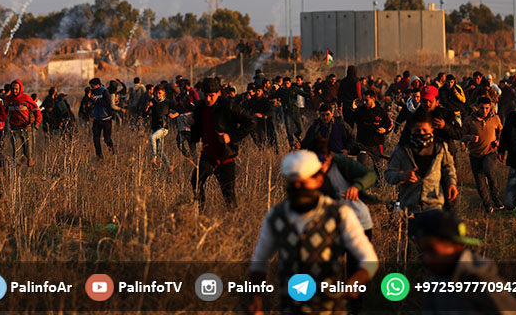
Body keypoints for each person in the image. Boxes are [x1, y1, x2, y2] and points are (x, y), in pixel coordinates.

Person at [248, 150, 378, 315]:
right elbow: (259, 261)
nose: (298, 189)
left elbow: (369, 259)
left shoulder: (339, 214)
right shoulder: (276, 216)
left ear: (318, 180)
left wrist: (354, 283)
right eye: (293, 184)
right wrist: (255, 299)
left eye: (303, 184)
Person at [413, 211, 516, 314]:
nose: (426, 259)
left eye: (432, 251)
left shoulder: (483, 284)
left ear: (457, 247)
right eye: (424, 251)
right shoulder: (435, 284)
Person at [189, 78, 254, 208]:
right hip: (208, 155)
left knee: (229, 196)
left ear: (218, 93)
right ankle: (199, 214)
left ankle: (233, 222)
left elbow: (250, 122)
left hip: (225, 157)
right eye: (205, 95)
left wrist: (231, 136)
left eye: (211, 96)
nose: (208, 99)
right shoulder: (200, 108)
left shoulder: (228, 106)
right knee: (196, 182)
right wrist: (192, 125)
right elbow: (197, 134)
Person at [385, 110, 457, 216]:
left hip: (434, 204)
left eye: (425, 130)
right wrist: (402, 176)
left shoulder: (440, 147)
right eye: (417, 131)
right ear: (411, 130)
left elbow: (448, 167)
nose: (421, 134)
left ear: (432, 129)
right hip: (410, 207)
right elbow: (389, 174)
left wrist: (451, 183)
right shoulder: (402, 149)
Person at [461, 98, 503, 212]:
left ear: (490, 107)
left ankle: (495, 197)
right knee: (480, 182)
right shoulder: (469, 120)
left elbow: (500, 130)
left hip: (489, 152)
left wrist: (498, 140)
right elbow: (461, 135)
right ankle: (487, 205)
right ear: (477, 107)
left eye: (486, 108)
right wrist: (470, 138)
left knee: (488, 170)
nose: (484, 111)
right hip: (475, 154)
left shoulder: (495, 118)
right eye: (482, 108)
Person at [5, 79, 41, 166]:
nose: (14, 91)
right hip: (14, 128)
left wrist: (37, 122)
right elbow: (4, 113)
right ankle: (17, 170)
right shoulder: (8, 99)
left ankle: (29, 159)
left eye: (16, 89)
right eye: (13, 89)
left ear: (20, 89)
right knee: (16, 150)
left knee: (28, 149)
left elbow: (36, 110)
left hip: (26, 128)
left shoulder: (26, 98)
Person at [144, 84, 174, 171]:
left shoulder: (167, 102)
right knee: (160, 150)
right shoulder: (152, 101)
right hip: (154, 127)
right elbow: (144, 115)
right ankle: (169, 166)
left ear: (164, 93)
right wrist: (148, 107)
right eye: (156, 93)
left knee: (152, 138)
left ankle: (153, 158)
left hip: (163, 128)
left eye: (160, 93)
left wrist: (174, 114)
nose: (158, 95)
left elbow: (178, 109)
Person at [91, 78, 122, 159]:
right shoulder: (93, 91)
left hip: (106, 119)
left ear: (98, 85)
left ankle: (113, 153)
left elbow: (108, 104)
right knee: (96, 139)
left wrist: (97, 100)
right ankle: (99, 156)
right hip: (96, 119)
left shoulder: (104, 91)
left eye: (92, 86)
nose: (91, 87)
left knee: (107, 139)